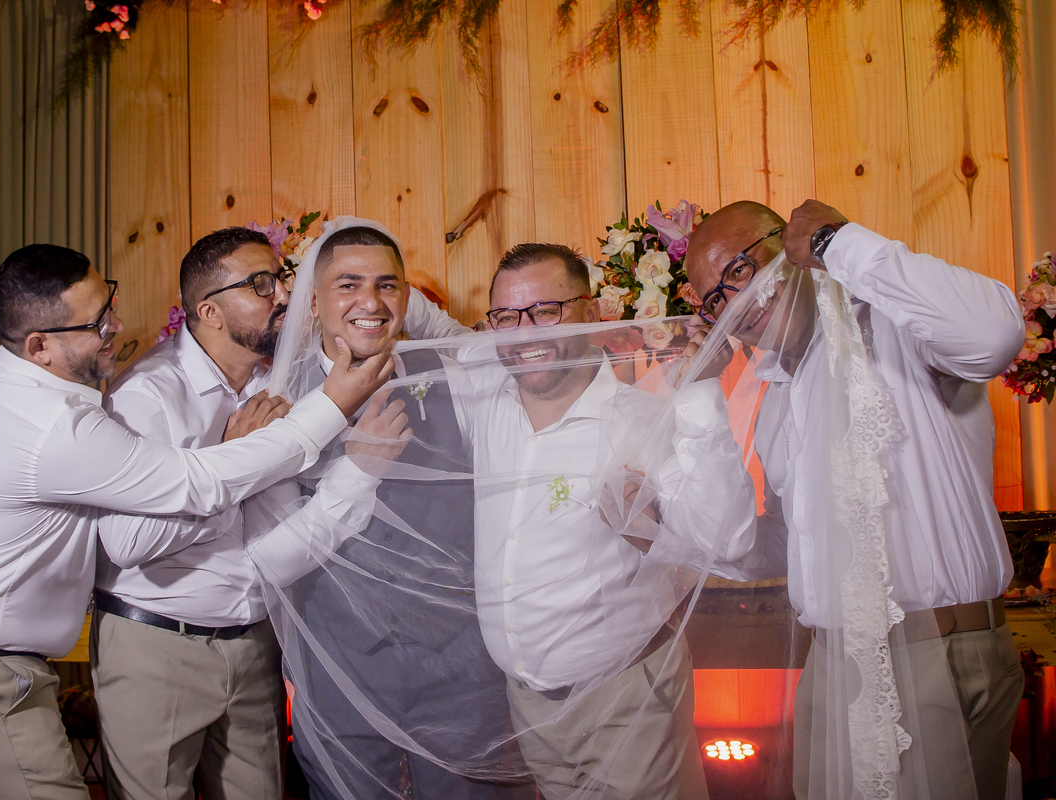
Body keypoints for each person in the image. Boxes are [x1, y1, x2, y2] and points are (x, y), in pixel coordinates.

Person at [0, 243, 393, 800]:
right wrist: (332, 405)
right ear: (39, 346)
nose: (117, 327)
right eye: (97, 323)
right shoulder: (62, 425)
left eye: (110, 304)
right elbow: (198, 485)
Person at [91, 226, 459, 800]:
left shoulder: (278, 381)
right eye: (261, 285)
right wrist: (231, 463)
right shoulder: (149, 394)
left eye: (282, 279)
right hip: (161, 642)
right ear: (209, 311)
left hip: (256, 642)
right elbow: (128, 543)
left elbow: (382, 310)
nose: (283, 294)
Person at [683, 199, 1026, 800]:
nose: (736, 302)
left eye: (740, 269)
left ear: (788, 243)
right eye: (715, 299)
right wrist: (675, 529)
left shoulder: (893, 324)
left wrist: (838, 243)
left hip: (940, 653)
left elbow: (995, 336)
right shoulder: (776, 399)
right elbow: (788, 545)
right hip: (837, 663)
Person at [446, 243, 755, 800]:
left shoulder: (641, 420)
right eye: (507, 317)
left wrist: (701, 391)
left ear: (591, 313)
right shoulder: (482, 400)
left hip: (625, 699)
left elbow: (726, 539)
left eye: (546, 311)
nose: (525, 333)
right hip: (528, 706)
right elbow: (422, 329)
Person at [266, 218, 530, 800]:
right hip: (341, 660)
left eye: (387, 285)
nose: (370, 302)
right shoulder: (278, 402)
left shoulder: (457, 374)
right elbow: (272, 554)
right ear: (313, 302)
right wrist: (358, 469)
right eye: (348, 285)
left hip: (460, 663)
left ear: (408, 298)